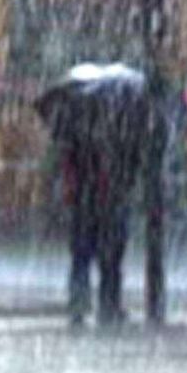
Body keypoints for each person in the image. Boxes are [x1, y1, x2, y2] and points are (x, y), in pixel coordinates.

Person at [60, 112, 142, 327]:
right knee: (108, 258)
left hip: (87, 203)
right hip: (106, 202)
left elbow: (69, 167)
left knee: (84, 257)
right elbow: (129, 166)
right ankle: (107, 304)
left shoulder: (77, 130)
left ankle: (81, 305)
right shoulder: (119, 131)